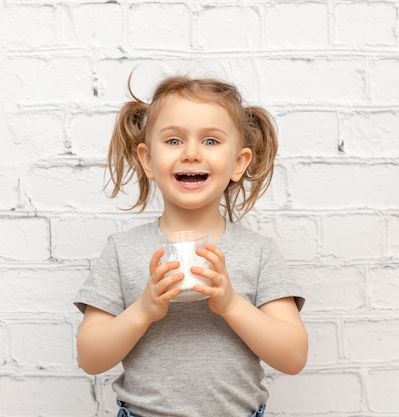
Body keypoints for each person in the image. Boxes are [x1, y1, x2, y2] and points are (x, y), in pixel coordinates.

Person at [74, 74, 308, 417]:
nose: (192, 153)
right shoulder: (122, 250)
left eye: (211, 141)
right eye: (173, 141)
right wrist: (143, 310)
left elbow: (293, 357)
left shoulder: (258, 252)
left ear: (239, 163)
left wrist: (230, 303)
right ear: (148, 159)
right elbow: (90, 358)